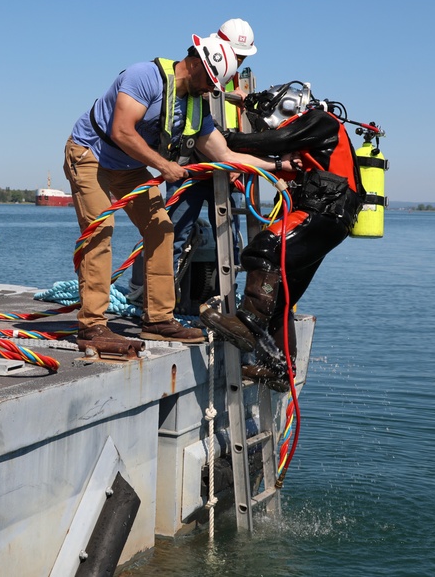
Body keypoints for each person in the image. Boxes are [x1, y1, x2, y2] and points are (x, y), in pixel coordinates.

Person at [64, 35, 300, 351]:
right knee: (100, 230)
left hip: (126, 166)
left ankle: (158, 321)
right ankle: (92, 326)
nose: (209, 90)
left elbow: (225, 156)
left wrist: (277, 164)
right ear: (197, 64)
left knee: (162, 228)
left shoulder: (195, 105)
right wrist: (164, 165)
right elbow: (121, 130)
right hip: (90, 153)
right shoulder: (144, 76)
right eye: (210, 81)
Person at [200, 85, 365, 390]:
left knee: (263, 250)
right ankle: (278, 369)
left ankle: (246, 324)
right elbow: (284, 155)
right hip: (330, 218)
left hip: (324, 213)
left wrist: (225, 139)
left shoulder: (321, 120)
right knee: (281, 299)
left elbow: (277, 140)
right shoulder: (313, 142)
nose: (265, 125)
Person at [128, 19, 257, 305]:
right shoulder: (203, 78)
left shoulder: (237, 81)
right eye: (236, 53)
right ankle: (149, 298)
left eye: (243, 56)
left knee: (230, 239)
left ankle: (226, 300)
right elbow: (192, 125)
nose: (238, 59)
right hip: (191, 167)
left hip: (224, 167)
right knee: (170, 232)